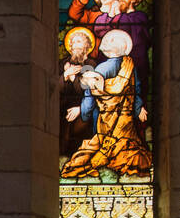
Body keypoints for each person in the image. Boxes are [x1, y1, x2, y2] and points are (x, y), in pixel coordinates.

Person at [60, 29, 152, 179]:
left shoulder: (102, 67)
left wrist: (83, 110)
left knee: (107, 144)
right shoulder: (127, 64)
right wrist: (138, 108)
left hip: (108, 117)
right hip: (124, 116)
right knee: (123, 145)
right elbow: (136, 90)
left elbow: (91, 93)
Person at [60, 27, 99, 158]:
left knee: (79, 127)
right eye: (73, 42)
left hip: (83, 106)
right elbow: (54, 88)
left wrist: (72, 78)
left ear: (87, 46)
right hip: (61, 105)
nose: (74, 45)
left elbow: (86, 90)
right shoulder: (63, 64)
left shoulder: (90, 64)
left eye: (79, 42)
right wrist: (65, 75)